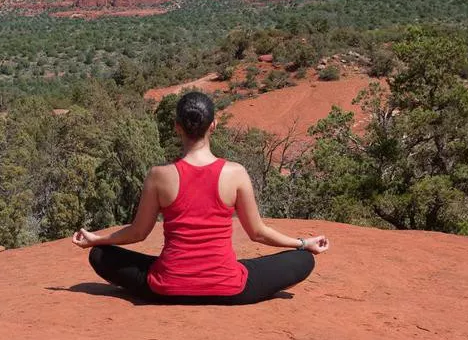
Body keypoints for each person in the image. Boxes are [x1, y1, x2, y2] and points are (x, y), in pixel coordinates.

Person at [72, 91, 329, 305]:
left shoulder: (159, 176)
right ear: (213, 125)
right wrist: (303, 242)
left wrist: (98, 239)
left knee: (100, 255)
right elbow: (258, 233)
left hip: (167, 287)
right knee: (303, 259)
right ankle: (219, 274)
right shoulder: (235, 173)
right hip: (228, 287)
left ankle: (179, 277)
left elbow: (138, 233)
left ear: (177, 127)